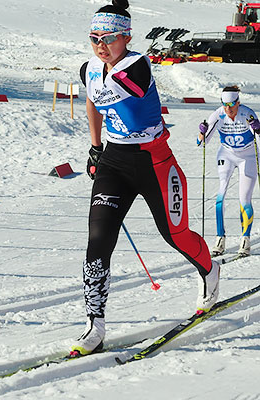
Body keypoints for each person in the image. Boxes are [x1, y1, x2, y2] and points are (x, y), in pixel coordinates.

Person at [70, 0, 220, 357]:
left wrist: (96, 78)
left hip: (154, 161)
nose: (100, 46)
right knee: (98, 239)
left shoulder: (137, 65)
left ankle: (209, 270)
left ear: (127, 37)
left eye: (108, 38)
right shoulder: (90, 67)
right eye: (94, 39)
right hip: (114, 162)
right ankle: (95, 323)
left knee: (176, 235)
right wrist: (95, 147)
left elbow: (110, 92)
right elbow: (93, 99)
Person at [198, 86, 260, 257]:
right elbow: (202, 141)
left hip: (247, 156)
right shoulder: (218, 115)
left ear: (238, 103)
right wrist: (201, 131)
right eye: (225, 104)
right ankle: (220, 238)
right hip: (226, 154)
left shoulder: (247, 113)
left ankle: (245, 239)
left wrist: (258, 128)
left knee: (244, 198)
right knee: (221, 194)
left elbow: (259, 137)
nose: (228, 109)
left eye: (232, 104)